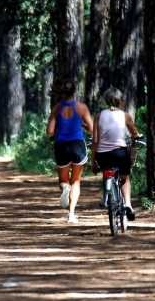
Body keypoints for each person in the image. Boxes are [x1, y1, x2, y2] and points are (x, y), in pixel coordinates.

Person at [90, 87, 142, 220]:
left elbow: (95, 140)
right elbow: (134, 133)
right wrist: (137, 135)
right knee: (124, 178)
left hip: (103, 155)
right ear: (120, 100)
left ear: (106, 100)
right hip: (120, 153)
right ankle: (128, 204)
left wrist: (93, 162)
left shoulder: (99, 116)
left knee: (106, 170)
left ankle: (106, 196)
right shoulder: (125, 116)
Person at [46, 80, 93, 223]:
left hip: (62, 146)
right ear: (74, 91)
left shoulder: (57, 108)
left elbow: (49, 132)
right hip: (78, 145)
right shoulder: (81, 107)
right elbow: (91, 129)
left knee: (63, 180)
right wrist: (83, 125)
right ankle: (71, 214)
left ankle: (65, 188)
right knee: (76, 181)